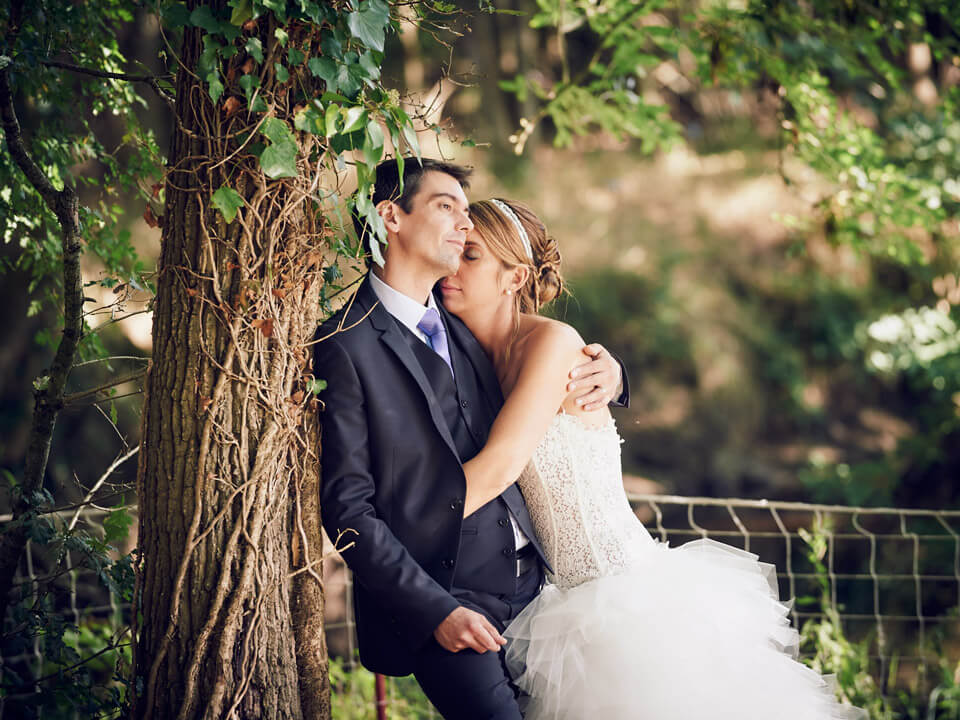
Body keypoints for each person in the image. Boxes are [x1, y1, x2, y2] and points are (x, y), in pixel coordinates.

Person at [440, 197, 867, 720]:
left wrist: (400, 525)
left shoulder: (553, 344)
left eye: (472, 256)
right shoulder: (467, 350)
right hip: (554, 600)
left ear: (514, 277)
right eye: (453, 250)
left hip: (621, 599)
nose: (451, 266)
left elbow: (503, 464)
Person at [313, 158, 629, 720]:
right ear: (391, 217)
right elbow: (347, 507)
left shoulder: (468, 322)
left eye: (466, 212)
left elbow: (541, 356)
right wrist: (431, 608)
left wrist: (616, 374)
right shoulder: (345, 344)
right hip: (445, 600)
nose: (463, 225)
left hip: (545, 594)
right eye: (446, 207)